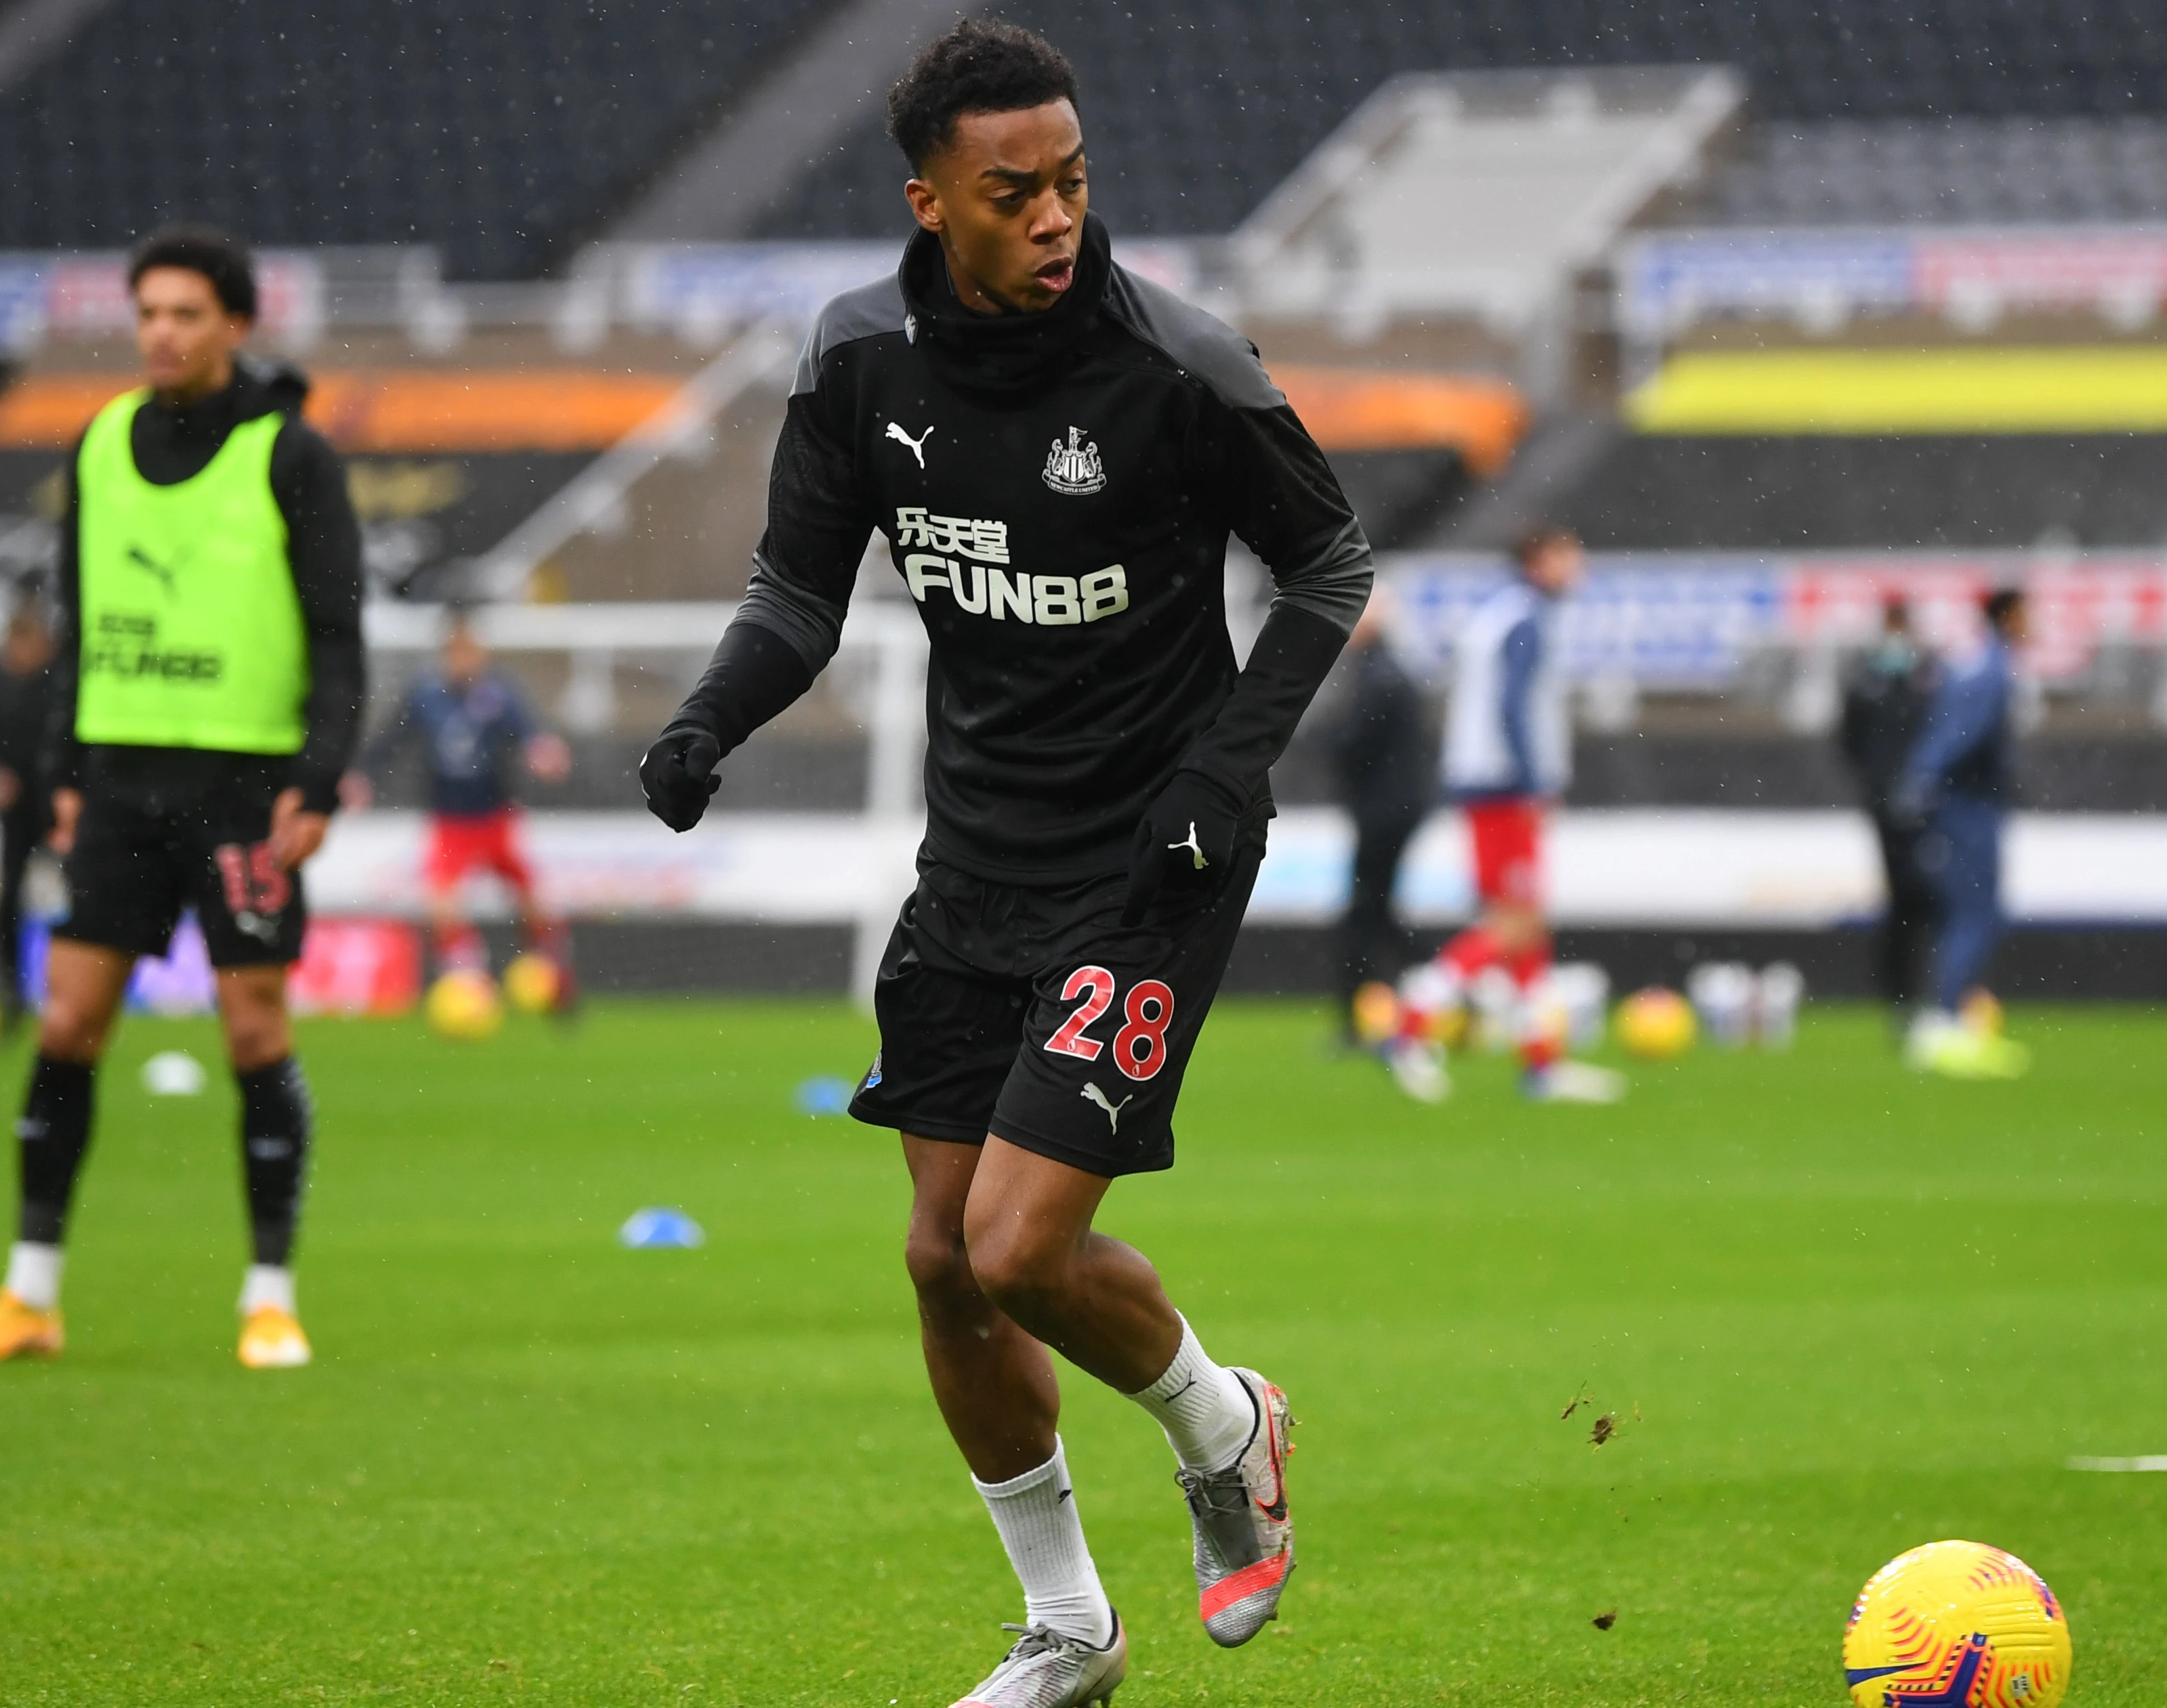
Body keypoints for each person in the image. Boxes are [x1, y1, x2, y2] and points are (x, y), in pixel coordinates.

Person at [633, 23, 1366, 1703]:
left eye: (1074, 182)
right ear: (931, 202)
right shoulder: (857, 359)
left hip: (1152, 858)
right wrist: (706, 724)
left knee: (1022, 1247)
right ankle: (1068, 1632)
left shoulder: (1176, 363)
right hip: (974, 858)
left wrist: (1222, 766)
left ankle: (1228, 1427)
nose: (1054, 218)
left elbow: (1326, 561)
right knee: (938, 1263)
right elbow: (797, 596)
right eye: (1012, 192)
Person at [0, 223, 364, 1371]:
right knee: (68, 1022)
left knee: (253, 1030)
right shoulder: (101, 441)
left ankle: (268, 1296)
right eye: (148, 314)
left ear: (234, 324)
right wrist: (67, 772)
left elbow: (338, 637)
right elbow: (76, 627)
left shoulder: (291, 454)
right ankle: (29, 1296)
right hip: (120, 786)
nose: (161, 333)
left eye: (184, 313)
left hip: (243, 788)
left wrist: (316, 782)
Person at [1383, 526, 1624, 1105]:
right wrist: (1533, 781)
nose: (1579, 565)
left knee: (1527, 929)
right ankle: (1410, 1029)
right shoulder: (1524, 621)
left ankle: (1542, 1064)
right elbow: (1514, 707)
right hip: (1504, 788)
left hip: (1484, 783)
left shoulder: (1501, 615)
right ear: (1540, 561)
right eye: (1569, 554)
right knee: (1512, 924)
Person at [345, 609, 572, 995]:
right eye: (458, 652)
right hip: (451, 820)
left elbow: (528, 732)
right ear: (447, 654)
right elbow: (390, 742)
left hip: (496, 815)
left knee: (531, 898)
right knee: (441, 902)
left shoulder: (498, 693)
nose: (465, 660)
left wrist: (542, 751)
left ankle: (555, 966)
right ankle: (470, 979)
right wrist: (363, 776)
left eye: (472, 652)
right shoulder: (425, 695)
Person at [1897, 586, 2029, 1079]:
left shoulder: (1978, 664)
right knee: (1975, 916)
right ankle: (1946, 1024)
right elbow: (1957, 736)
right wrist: (1925, 780)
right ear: (2007, 615)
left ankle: (1944, 1020)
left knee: (1968, 916)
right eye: (2026, 615)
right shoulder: (1990, 671)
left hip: (1961, 805)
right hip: (1967, 809)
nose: (2032, 626)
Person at [1323, 590, 1432, 1045]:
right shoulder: (1393, 670)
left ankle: (1359, 1019)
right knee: (1379, 911)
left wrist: (1320, 740)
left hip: (1383, 811)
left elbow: (1356, 742)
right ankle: (1440, 989)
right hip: (1398, 808)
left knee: (1366, 914)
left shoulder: (1380, 676)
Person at [1837, 596, 1942, 1032]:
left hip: (1930, 808)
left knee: (1931, 899)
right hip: (1887, 808)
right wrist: (1879, 789)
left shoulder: (1929, 677)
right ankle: (1902, 995)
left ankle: (1937, 992)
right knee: (1903, 900)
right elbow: (1851, 741)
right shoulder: (1866, 680)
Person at [0, 599, 64, 1023]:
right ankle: (13, 991)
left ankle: (78, 989)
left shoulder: (61, 681)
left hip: (60, 806)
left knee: (85, 895)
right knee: (8, 902)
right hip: (17, 810)